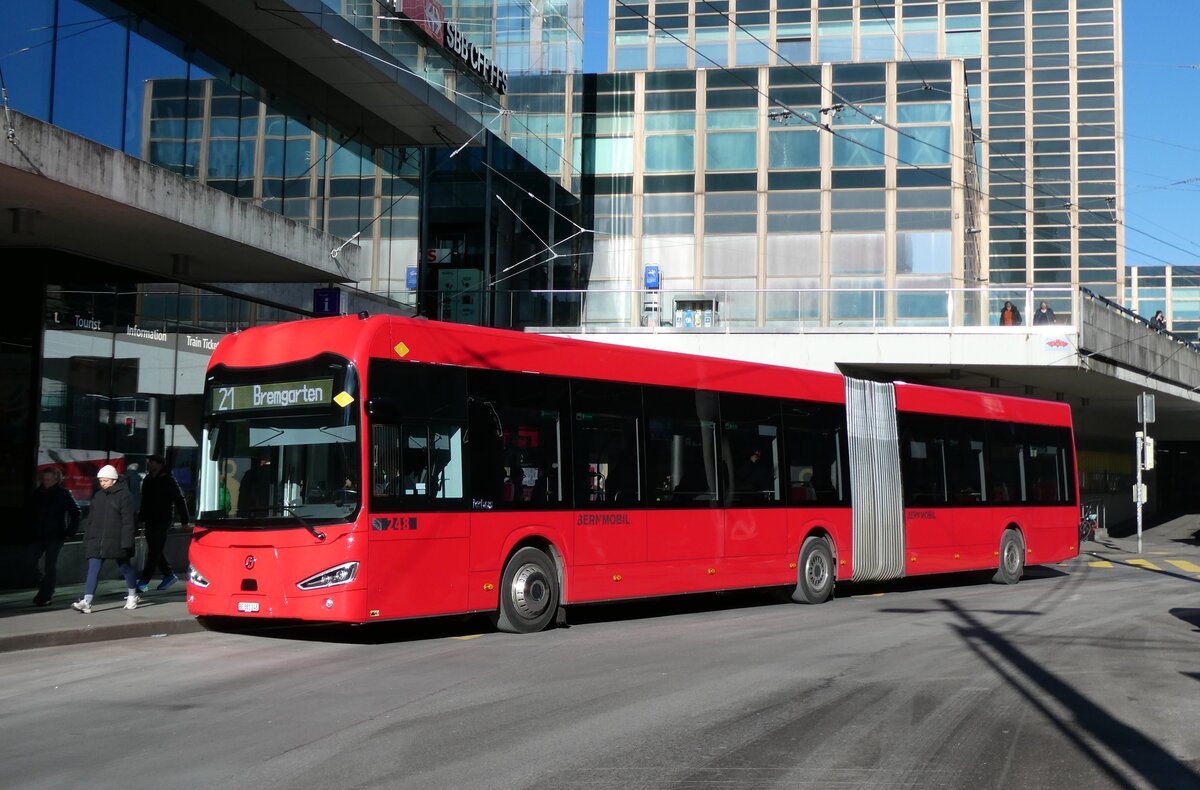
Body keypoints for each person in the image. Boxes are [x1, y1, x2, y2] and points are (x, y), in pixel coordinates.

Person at [72, 465, 139, 613]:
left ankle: (132, 595)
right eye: (101, 480)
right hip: (97, 540)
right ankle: (87, 601)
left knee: (125, 568)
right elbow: (91, 520)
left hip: (116, 540)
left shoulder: (125, 495)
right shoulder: (98, 496)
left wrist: (126, 542)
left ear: (114, 480)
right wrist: (88, 538)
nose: (102, 483)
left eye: (105, 480)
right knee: (93, 570)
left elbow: (128, 521)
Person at [27, 468, 81, 606]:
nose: (46, 482)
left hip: (55, 534)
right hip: (38, 534)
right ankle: (43, 588)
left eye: (49, 480)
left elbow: (75, 512)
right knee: (31, 561)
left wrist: (70, 531)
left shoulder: (62, 494)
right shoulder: (37, 493)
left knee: (49, 565)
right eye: (44, 480)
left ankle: (46, 594)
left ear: (56, 480)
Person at [136, 454, 189, 593]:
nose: (150, 465)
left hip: (163, 519)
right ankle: (169, 575)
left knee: (154, 551)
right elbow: (145, 501)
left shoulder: (168, 480)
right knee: (155, 549)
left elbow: (179, 499)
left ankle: (143, 581)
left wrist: (185, 520)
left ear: (159, 464)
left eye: (153, 462)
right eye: (150, 462)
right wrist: (141, 517)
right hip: (149, 519)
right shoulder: (148, 479)